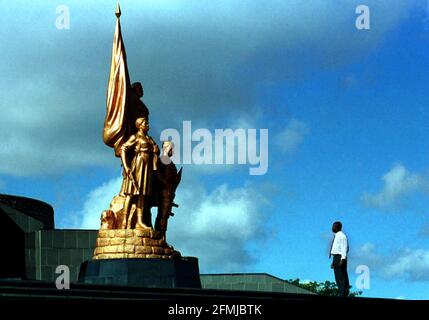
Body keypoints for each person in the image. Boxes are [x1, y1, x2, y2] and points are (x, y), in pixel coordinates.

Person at [120, 117, 159, 229]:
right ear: (139, 125)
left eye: (147, 122)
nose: (147, 124)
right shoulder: (135, 137)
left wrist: (156, 151)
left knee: (142, 195)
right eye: (145, 123)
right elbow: (123, 148)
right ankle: (124, 221)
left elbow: (156, 150)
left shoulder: (149, 138)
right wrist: (126, 166)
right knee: (131, 194)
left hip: (147, 167)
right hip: (138, 165)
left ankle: (140, 221)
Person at [330, 221, 350, 296]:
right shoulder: (336, 236)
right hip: (336, 257)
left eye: (334, 226)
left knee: (341, 275)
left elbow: (344, 248)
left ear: (338, 227)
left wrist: (343, 258)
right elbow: (336, 249)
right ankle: (341, 291)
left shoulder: (342, 236)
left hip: (340, 257)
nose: (332, 227)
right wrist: (333, 261)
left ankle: (344, 292)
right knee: (337, 276)